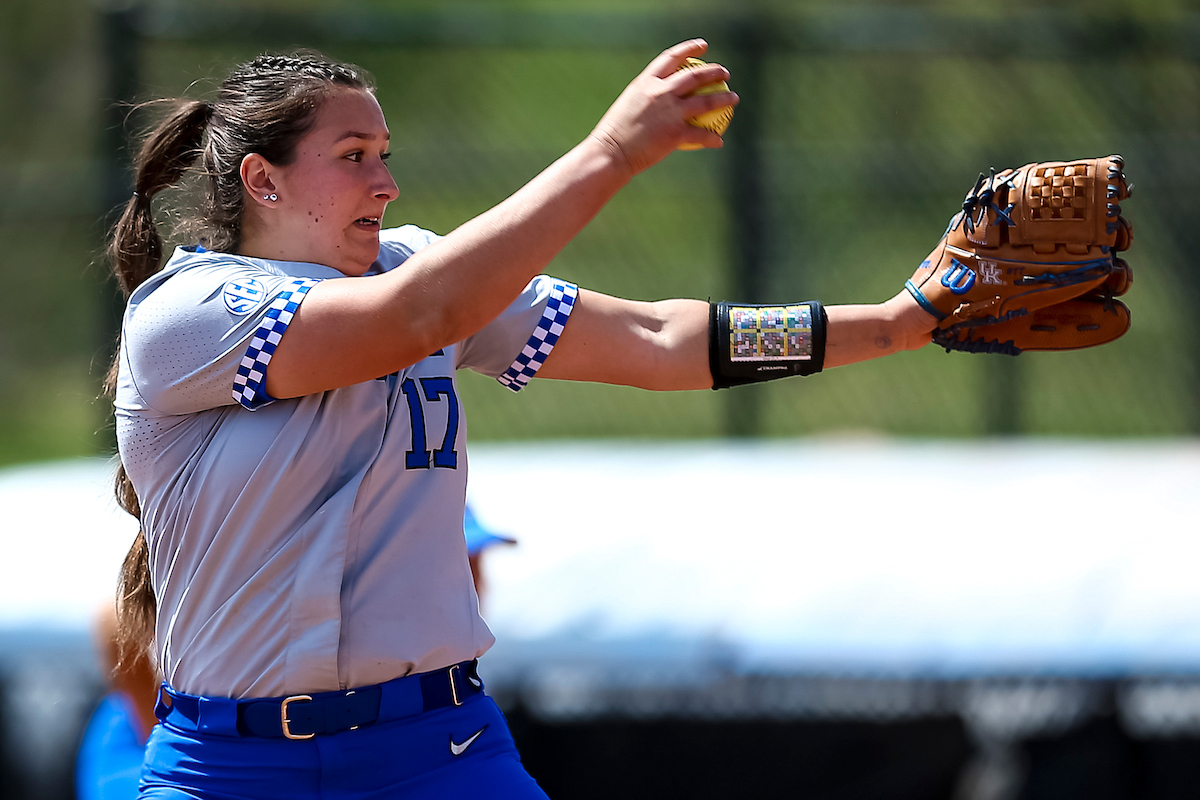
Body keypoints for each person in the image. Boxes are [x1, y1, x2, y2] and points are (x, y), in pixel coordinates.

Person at [106, 41, 933, 798]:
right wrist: (611, 154)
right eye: (352, 158)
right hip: (235, 768)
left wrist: (901, 323)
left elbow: (658, 338)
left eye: (384, 156)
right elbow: (418, 316)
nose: (385, 183)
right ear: (263, 180)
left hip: (439, 751)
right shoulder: (189, 313)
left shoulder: (415, 267)